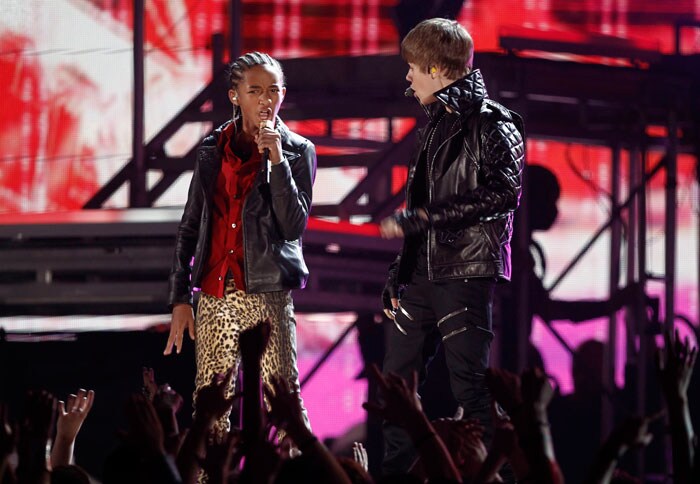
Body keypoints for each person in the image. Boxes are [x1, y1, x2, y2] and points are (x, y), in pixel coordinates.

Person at [379, 18, 525, 474]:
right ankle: (395, 475)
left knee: (470, 384)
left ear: (437, 68)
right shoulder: (436, 123)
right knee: (397, 383)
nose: (408, 77)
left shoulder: (492, 123)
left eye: (414, 68)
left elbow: (505, 192)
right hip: (423, 274)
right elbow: (422, 202)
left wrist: (428, 217)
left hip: (465, 269)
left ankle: (492, 474)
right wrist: (399, 274)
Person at [164, 52, 316, 441]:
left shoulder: (299, 151)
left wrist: (278, 161)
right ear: (236, 96)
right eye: (255, 91)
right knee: (210, 408)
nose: (266, 99)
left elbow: (293, 225)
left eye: (274, 90)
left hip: (266, 292)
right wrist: (180, 297)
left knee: (283, 405)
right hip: (215, 293)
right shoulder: (211, 149)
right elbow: (190, 226)